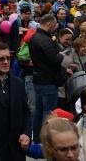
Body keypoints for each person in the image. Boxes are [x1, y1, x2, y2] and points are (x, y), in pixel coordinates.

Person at [29, 14, 66, 142]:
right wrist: (61, 55)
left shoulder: (34, 37)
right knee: (48, 112)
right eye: (55, 25)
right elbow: (54, 61)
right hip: (48, 81)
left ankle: (37, 140)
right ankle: (46, 140)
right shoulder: (45, 40)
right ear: (49, 24)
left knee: (39, 111)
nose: (55, 27)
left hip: (38, 79)